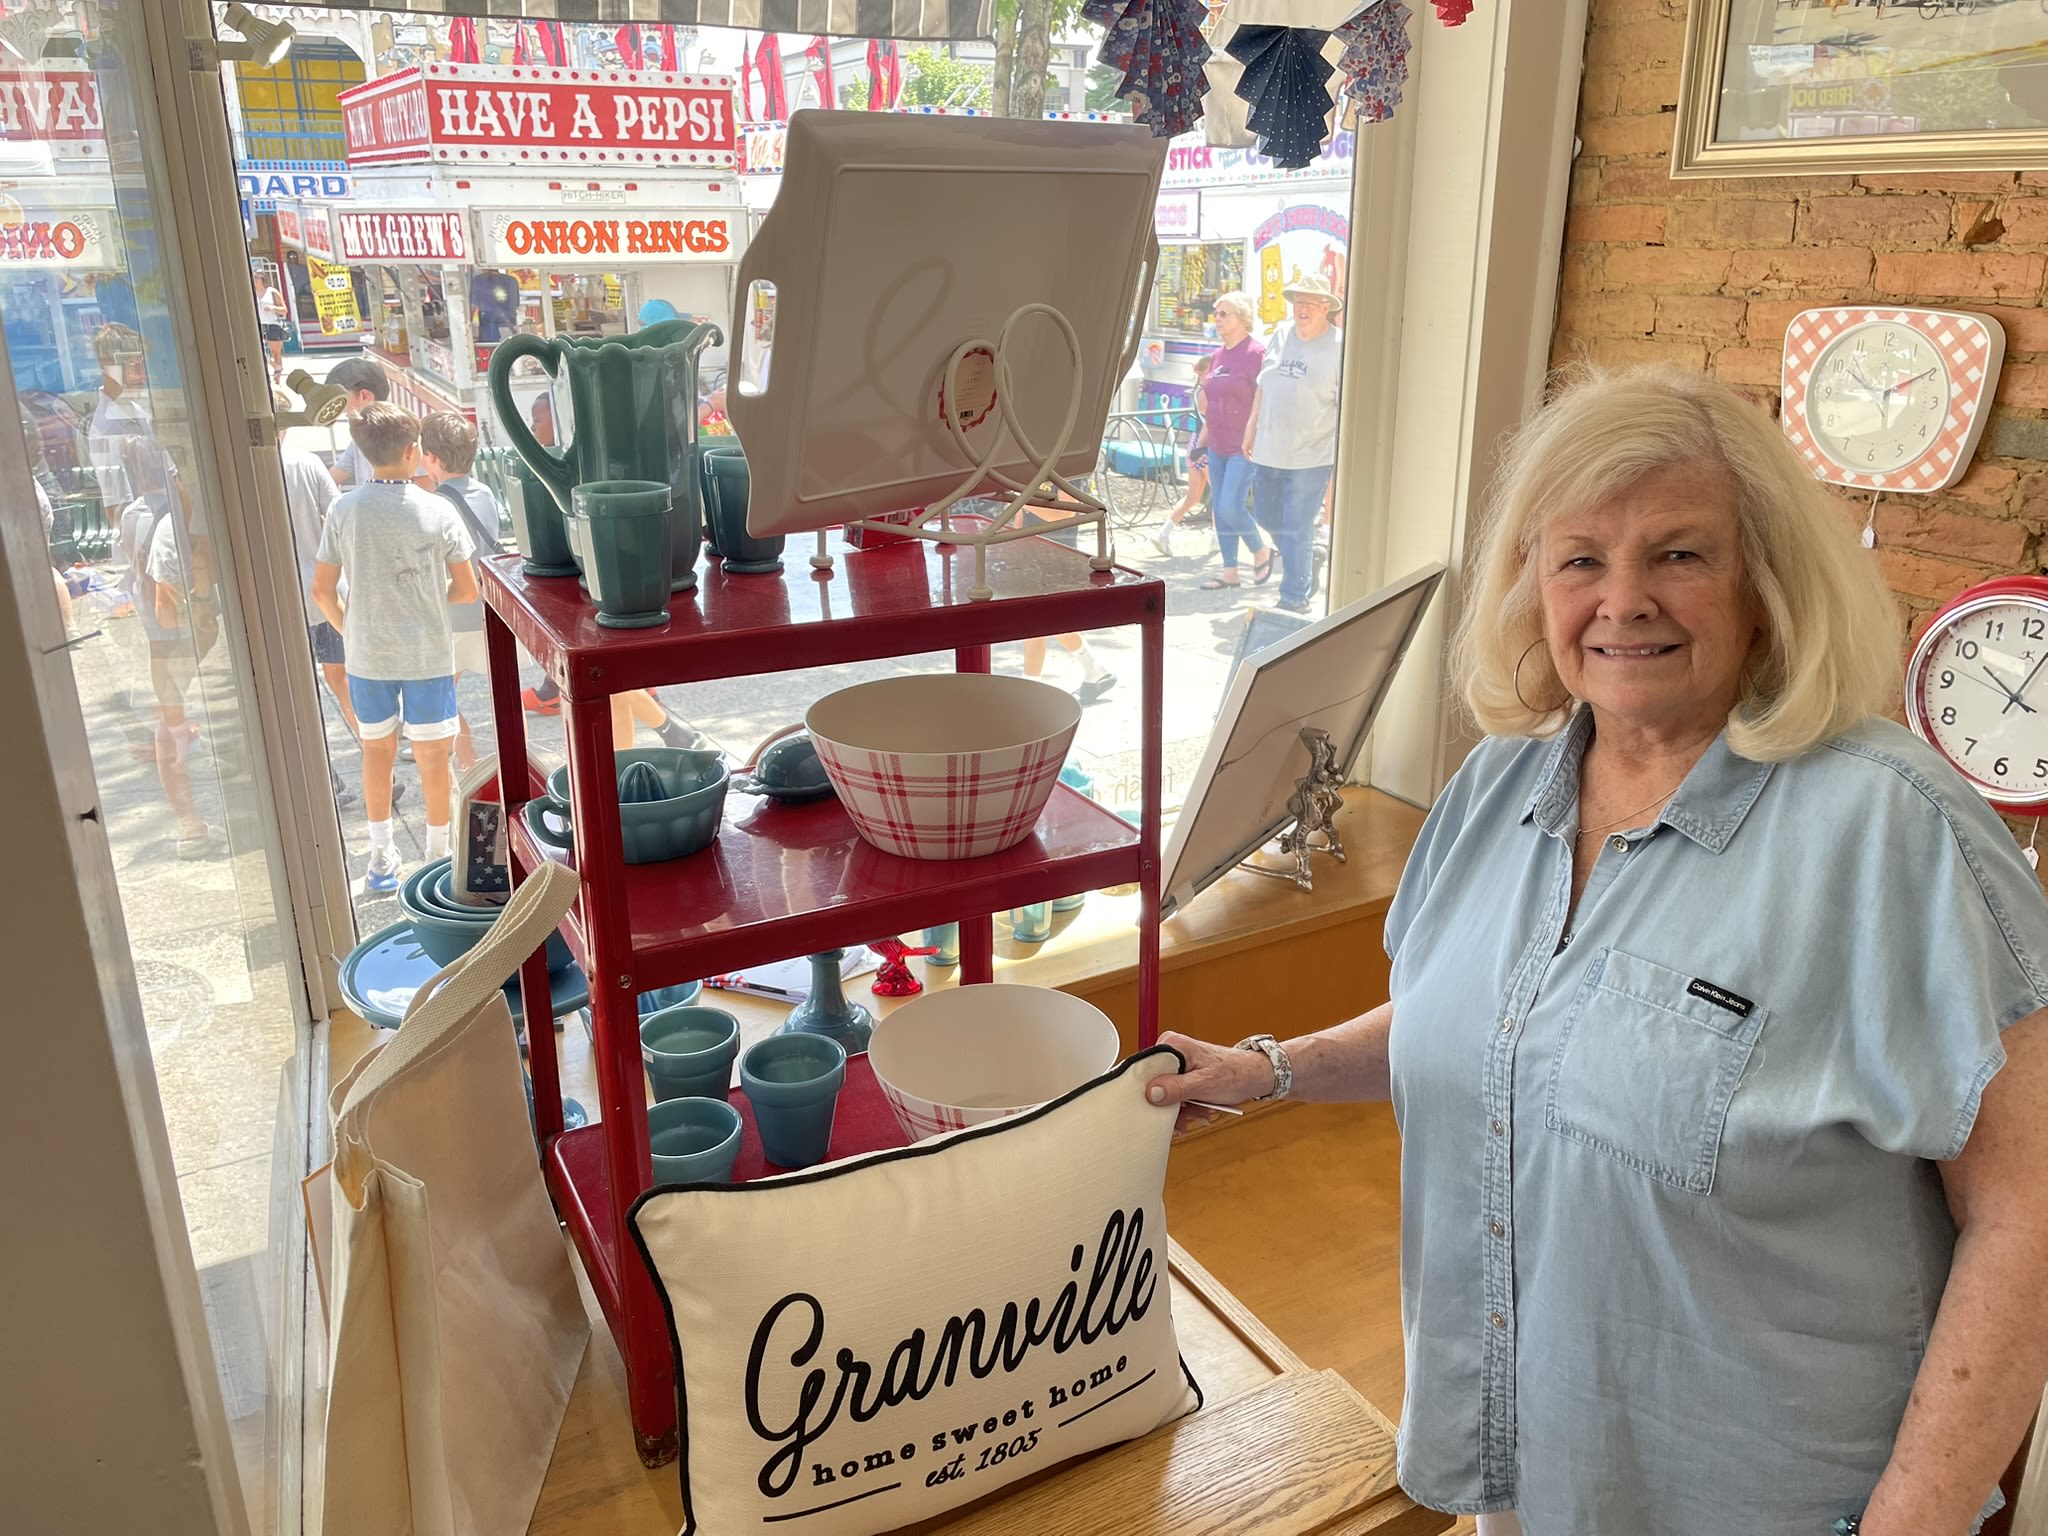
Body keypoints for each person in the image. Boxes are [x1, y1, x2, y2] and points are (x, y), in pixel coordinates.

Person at [1148, 366, 2048, 1536]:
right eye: (1579, 559)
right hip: (1529, 1470)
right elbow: (1494, 1022)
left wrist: (1911, 1521)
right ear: (1531, 584)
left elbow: (2026, 1211)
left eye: (1677, 554)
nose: (1622, 601)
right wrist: (1267, 1069)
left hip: (1768, 1500)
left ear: (1764, 583)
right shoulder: (1496, 785)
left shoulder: (1893, 830)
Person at [312, 403, 477, 894]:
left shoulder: (343, 509)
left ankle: (381, 857)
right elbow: (467, 588)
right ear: (412, 451)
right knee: (432, 757)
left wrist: (351, 629)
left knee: (376, 752)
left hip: (367, 655)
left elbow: (322, 590)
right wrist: (428, 596)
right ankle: (439, 857)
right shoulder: (438, 510)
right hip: (427, 653)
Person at [1245, 277, 1341, 613]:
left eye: (1311, 303)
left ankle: (1294, 597)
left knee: (1297, 525)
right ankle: (1307, 557)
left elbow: (1346, 404)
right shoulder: (1281, 334)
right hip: (1269, 447)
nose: (1303, 309)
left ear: (1326, 308)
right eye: (1299, 302)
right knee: (1263, 513)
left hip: (1311, 454)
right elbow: (1263, 385)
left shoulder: (1340, 347)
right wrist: (1250, 427)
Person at [419, 412, 503, 772]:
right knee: (504, 697)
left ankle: (470, 770)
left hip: (453, 615)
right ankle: (509, 764)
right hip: (490, 610)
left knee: (442, 697)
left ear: (431, 458)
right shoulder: (484, 492)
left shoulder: (433, 505)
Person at [1191, 292, 1270, 590]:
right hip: (1217, 444)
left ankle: (1261, 550)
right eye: (1217, 313)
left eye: (1224, 313)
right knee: (1220, 508)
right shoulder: (1216, 356)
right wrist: (1201, 443)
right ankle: (1230, 572)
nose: (1218, 319)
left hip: (1244, 445)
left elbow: (1265, 400)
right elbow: (1211, 405)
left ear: (1242, 317)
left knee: (1229, 506)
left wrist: (1257, 434)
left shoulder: (1256, 353)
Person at [1149, 355, 1213, 558]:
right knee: (1219, 494)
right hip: (1205, 446)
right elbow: (1211, 421)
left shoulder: (1199, 390)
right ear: (1205, 371)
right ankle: (1218, 539)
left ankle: (1164, 532)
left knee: (1193, 496)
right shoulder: (1206, 392)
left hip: (1196, 445)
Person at [324, 355, 392, 487]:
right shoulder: (360, 438)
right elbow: (333, 476)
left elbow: (424, 490)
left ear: (364, 396)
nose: (340, 410)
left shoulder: (403, 435)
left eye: (341, 400)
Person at [255, 271, 289, 383]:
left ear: (263, 279)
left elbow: (284, 310)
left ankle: (277, 380)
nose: (254, 279)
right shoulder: (251, 292)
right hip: (259, 324)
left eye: (257, 277)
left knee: (276, 353)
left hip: (272, 323)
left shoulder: (272, 292)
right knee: (258, 350)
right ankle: (275, 366)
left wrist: (273, 308)